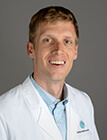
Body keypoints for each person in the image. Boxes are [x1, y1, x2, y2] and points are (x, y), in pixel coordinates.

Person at [0, 6, 100, 140]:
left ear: (75, 51)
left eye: (67, 41)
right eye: (48, 40)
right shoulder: (4, 111)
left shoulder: (84, 102)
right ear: (31, 50)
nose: (59, 50)